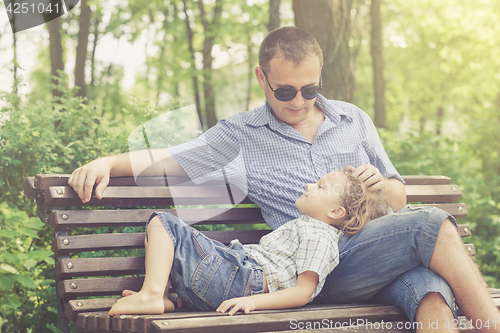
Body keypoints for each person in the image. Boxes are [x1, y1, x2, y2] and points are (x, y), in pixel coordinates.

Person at [69, 27, 500, 331]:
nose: (299, 101)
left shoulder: (354, 119)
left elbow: (398, 198)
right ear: (262, 79)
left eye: (309, 89)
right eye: (286, 91)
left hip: (378, 254)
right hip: (315, 271)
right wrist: (108, 161)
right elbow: (171, 158)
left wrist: (380, 187)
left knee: (431, 288)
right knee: (431, 224)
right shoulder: (240, 135)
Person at [108, 170, 388, 316]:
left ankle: (152, 294)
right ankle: (171, 300)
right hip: (236, 277)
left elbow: (303, 292)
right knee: (171, 235)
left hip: (242, 280)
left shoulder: (319, 235)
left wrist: (254, 302)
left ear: (336, 212)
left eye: (320, 187)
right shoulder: (309, 227)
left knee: (164, 223)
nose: (309, 186)